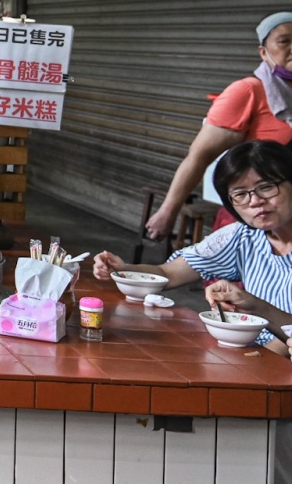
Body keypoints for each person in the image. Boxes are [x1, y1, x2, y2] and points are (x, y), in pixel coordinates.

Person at [95, 140, 292, 351]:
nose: (255, 201)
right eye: (241, 194)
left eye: (267, 187)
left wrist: (256, 307)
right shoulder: (243, 236)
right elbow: (167, 273)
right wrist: (124, 270)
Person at [143, 13, 292, 238]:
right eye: (284, 41)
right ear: (263, 51)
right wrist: (168, 212)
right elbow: (198, 157)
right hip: (254, 220)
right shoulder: (247, 92)